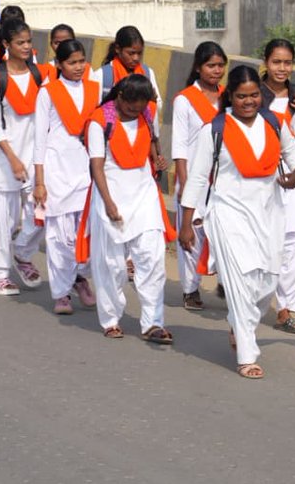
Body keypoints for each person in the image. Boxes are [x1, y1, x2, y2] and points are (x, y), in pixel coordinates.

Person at [180, 65, 295, 378]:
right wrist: (186, 221)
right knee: (240, 281)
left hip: (271, 212)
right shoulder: (215, 128)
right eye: (241, 97)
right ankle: (247, 355)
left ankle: (240, 323)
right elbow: (196, 178)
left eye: (253, 96)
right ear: (230, 97)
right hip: (228, 214)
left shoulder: (275, 123)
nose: (248, 102)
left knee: (267, 282)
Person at [79, 73, 173, 341]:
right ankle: (110, 319)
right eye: (131, 105)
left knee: (153, 260)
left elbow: (151, 147)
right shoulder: (100, 121)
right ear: (120, 96)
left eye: (141, 105)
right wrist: (108, 202)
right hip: (111, 196)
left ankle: (153, 323)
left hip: (144, 196)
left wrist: (159, 161)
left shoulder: (146, 114)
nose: (136, 110)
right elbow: (96, 165)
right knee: (111, 265)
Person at [0, 17, 45, 296]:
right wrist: (13, 159)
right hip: (4, 161)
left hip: (34, 158)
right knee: (1, 222)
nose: (27, 46)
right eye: (20, 42)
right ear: (6, 45)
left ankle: (22, 252)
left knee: (40, 214)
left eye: (29, 41)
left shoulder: (40, 75)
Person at [33, 38, 98, 315]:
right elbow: (39, 138)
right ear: (59, 64)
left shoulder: (95, 91)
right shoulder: (48, 92)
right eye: (71, 62)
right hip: (57, 166)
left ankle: (79, 276)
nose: (78, 67)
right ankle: (61, 292)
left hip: (86, 167)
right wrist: (39, 180)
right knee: (59, 235)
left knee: (87, 231)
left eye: (82, 61)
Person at [260, 39, 295, 333]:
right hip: (263, 179)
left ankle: (287, 309)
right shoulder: (253, 95)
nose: (282, 68)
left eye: (287, 63)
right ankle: (249, 296)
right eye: (276, 62)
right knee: (268, 243)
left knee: (294, 244)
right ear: (266, 62)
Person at [171, 41, 227, 310]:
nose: (216, 71)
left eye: (220, 65)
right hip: (194, 178)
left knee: (222, 231)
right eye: (211, 65)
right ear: (198, 67)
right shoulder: (184, 100)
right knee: (192, 235)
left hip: (223, 179)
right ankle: (190, 288)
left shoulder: (230, 97)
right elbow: (180, 146)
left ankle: (226, 281)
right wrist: (183, 183)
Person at [96, 25, 162, 116]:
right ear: (118, 49)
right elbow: (96, 107)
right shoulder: (102, 75)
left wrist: (152, 101)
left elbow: (158, 106)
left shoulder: (147, 73)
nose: (136, 58)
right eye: (131, 53)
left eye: (139, 53)